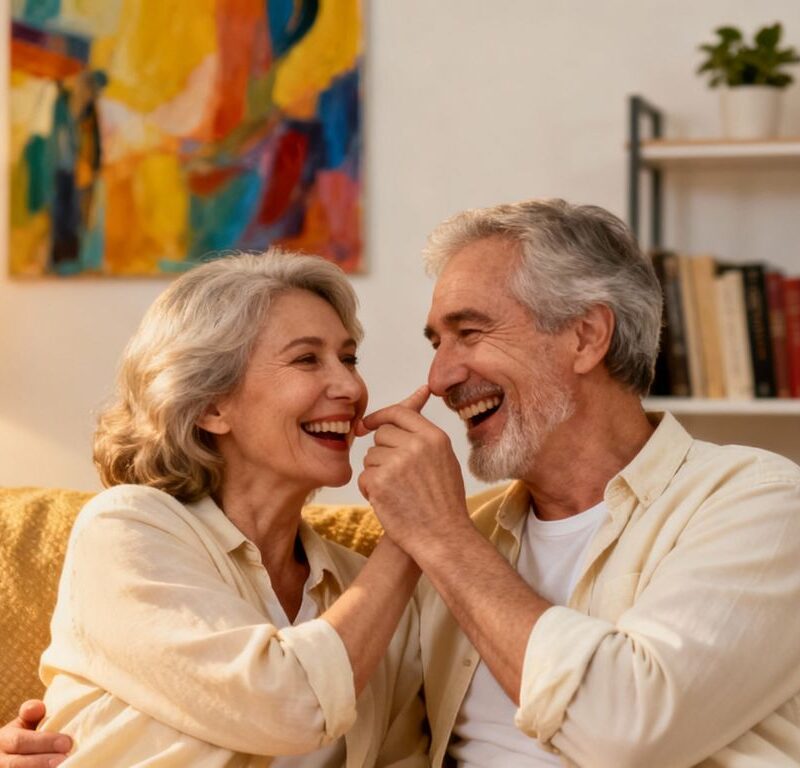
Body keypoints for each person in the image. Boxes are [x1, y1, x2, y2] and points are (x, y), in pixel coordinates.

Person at [6, 199, 800, 766]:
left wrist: (434, 533)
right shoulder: (443, 550)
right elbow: (320, 709)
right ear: (212, 402)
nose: (439, 376)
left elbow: (627, 728)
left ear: (587, 337)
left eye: (470, 333)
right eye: (434, 340)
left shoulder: (753, 503)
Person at [0, 250, 427, 766]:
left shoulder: (367, 583)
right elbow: (289, 705)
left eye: (349, 358)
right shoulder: (128, 529)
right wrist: (410, 533)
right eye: (307, 359)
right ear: (211, 405)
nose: (351, 387)